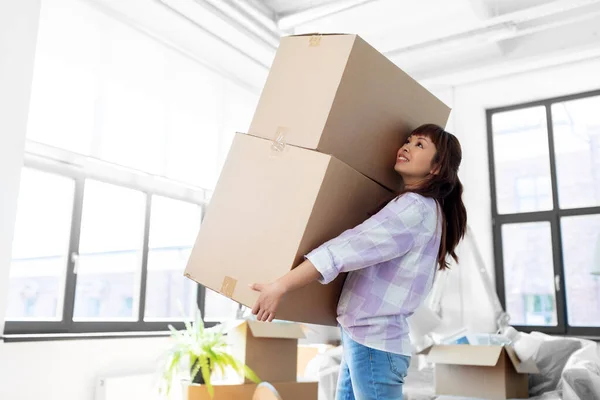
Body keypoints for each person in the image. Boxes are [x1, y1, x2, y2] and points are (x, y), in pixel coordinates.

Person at [250, 124, 467, 400]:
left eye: (419, 145)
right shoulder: (425, 208)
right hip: (365, 340)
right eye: (408, 141)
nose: (406, 146)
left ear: (437, 167)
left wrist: (280, 286)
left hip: (374, 345)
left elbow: (345, 249)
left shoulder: (414, 208)